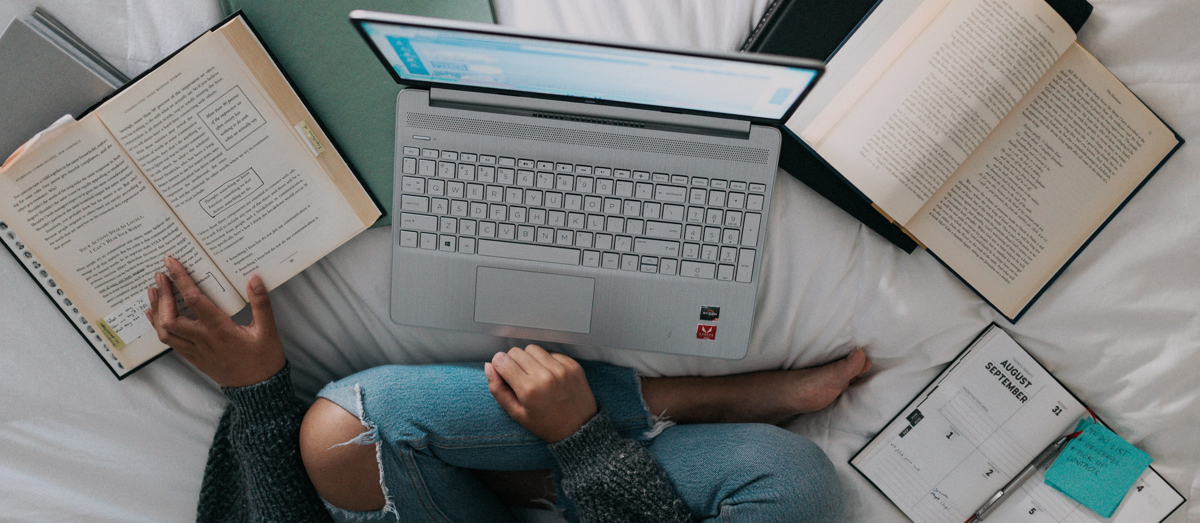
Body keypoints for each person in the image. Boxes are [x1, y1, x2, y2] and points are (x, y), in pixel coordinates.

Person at [146, 256, 871, 523]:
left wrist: (258, 390)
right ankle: (559, 464)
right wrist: (581, 445)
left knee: (345, 430)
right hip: (604, 483)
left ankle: (666, 404)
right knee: (796, 482)